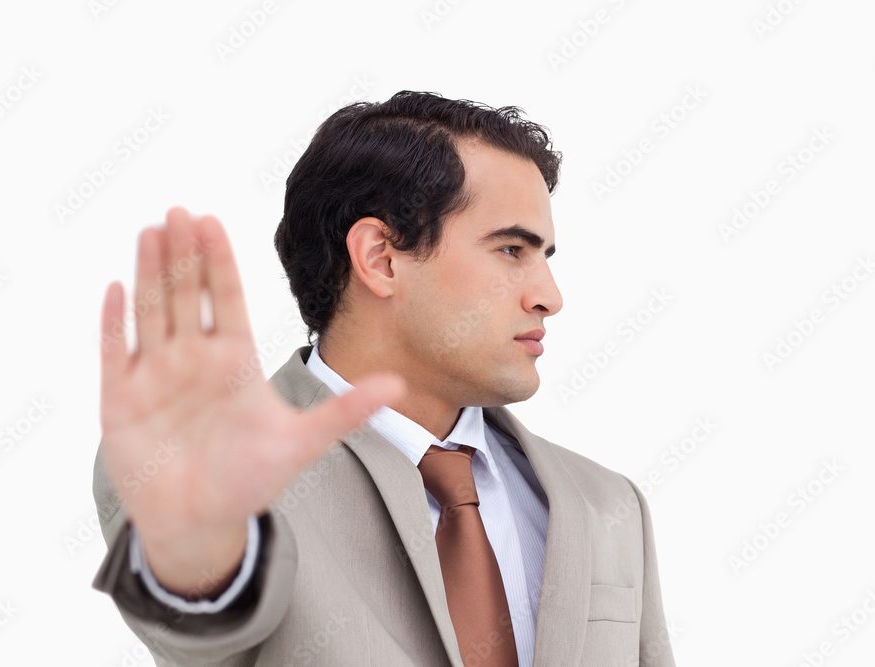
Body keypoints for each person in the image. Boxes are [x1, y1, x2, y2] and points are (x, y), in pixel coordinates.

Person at [91, 91, 676, 666]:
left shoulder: (607, 504)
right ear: (380, 258)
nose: (550, 296)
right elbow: (199, 634)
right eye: (510, 250)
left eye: (545, 255)